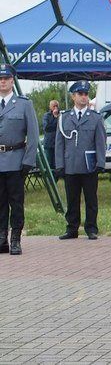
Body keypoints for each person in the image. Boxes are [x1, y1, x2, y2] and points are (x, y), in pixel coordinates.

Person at [55, 80, 106, 241]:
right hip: (70, 164)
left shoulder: (95, 118)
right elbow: (59, 144)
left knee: (91, 199)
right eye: (80, 94)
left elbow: (100, 142)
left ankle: (91, 228)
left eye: (85, 94)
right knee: (72, 199)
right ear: (73, 96)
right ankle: (72, 228)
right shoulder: (64, 117)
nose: (84, 97)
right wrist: (59, 165)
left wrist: (101, 162)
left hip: (89, 165)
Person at [0, 65, 39, 255]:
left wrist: (28, 161)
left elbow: (33, 134)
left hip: (16, 160)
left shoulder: (24, 104)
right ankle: (1, 239)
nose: (3, 81)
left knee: (16, 202)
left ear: (12, 80)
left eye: (6, 78)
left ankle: (15, 238)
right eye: (0, 78)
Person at [42, 100, 59, 175]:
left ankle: (55, 179)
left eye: (56, 106)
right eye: (53, 106)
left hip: (57, 143)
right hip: (48, 144)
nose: (55, 107)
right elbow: (47, 128)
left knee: (57, 164)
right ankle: (49, 180)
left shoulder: (61, 115)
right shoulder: (46, 116)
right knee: (49, 164)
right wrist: (55, 118)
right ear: (50, 107)